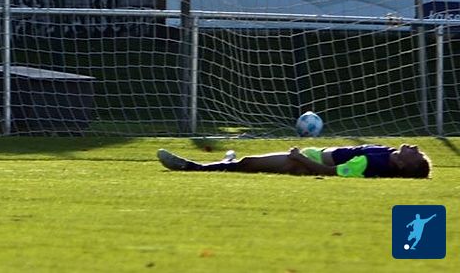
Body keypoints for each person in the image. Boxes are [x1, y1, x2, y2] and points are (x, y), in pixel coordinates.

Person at [157, 143, 431, 178]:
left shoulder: (372, 165)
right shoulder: (387, 152)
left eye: (416, 154)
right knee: (247, 164)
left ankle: (190, 167)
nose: (416, 147)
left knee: (249, 163)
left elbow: (329, 172)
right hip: (306, 156)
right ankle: (226, 163)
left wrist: (299, 158)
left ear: (402, 165)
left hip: (302, 162)